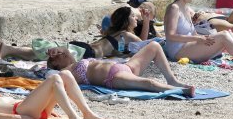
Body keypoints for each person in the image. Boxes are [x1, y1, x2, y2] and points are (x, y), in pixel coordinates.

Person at [0, 6, 142, 61]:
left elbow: (116, 52)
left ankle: (6, 49)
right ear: (127, 21)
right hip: (87, 52)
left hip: (84, 48)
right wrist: (147, 22)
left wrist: (125, 55)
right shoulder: (126, 35)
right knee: (43, 54)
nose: (137, 20)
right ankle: (5, 49)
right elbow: (146, 46)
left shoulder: (115, 34)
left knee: (43, 53)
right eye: (134, 17)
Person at [46, 41, 196, 97]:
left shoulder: (76, 60)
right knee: (148, 83)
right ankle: (178, 90)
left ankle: (172, 80)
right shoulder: (65, 73)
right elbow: (51, 77)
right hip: (113, 78)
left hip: (124, 67)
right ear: (56, 65)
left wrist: (55, 48)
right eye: (55, 58)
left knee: (154, 46)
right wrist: (49, 61)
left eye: (60, 53)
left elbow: (64, 49)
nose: (59, 54)